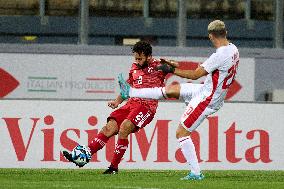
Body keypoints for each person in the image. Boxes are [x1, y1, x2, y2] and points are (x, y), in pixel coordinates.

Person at [118, 20, 239, 180]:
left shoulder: (219, 55)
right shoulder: (233, 49)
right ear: (226, 32)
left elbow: (195, 75)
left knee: (181, 132)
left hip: (208, 99)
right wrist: (175, 66)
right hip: (207, 90)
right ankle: (131, 91)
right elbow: (209, 69)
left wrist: (172, 70)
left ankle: (196, 173)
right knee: (171, 90)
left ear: (210, 36)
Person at [63, 41, 168, 174]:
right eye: (135, 58)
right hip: (131, 104)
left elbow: (175, 68)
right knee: (109, 128)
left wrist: (172, 66)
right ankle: (83, 156)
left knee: (124, 127)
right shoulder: (134, 67)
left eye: (140, 58)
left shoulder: (159, 66)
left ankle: (113, 167)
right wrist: (117, 101)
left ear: (149, 56)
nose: (137, 61)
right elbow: (128, 87)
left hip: (147, 107)